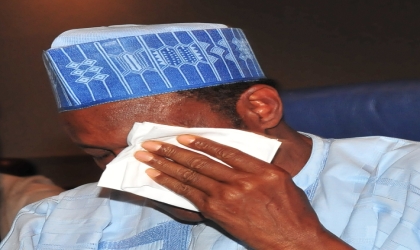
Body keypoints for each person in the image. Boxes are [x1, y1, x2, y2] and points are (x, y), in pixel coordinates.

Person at [1, 23, 419, 249]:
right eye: (101, 154)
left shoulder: (406, 185)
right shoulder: (53, 225)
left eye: (152, 144)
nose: (130, 173)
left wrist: (292, 242)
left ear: (259, 109)